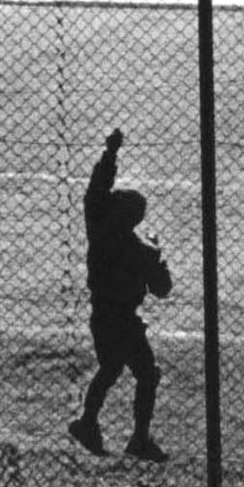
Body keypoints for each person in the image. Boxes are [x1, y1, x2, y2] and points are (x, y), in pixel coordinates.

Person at [68, 129, 172, 463]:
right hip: (125, 319)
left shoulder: (98, 231)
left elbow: (95, 190)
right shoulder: (141, 250)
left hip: (102, 314)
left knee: (110, 369)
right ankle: (139, 438)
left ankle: (88, 423)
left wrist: (110, 153)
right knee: (145, 374)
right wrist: (158, 251)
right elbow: (162, 289)